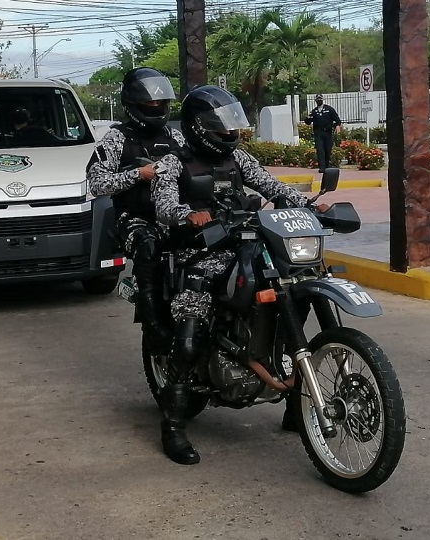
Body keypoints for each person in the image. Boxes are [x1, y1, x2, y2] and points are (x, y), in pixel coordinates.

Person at [151, 85, 329, 465]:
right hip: (196, 252)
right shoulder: (172, 162)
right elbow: (164, 203)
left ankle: (294, 406)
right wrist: (187, 214)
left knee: (294, 292)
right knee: (190, 332)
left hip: (244, 243)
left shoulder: (239, 158)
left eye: (232, 123)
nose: (229, 132)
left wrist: (309, 203)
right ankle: (174, 426)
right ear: (198, 126)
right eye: (221, 125)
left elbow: (271, 186)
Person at [86, 67, 185, 353]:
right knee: (148, 244)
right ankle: (153, 323)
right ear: (132, 105)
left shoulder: (176, 137)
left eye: (160, 103)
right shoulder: (116, 139)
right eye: (149, 104)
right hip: (134, 218)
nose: (156, 108)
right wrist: (138, 175)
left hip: (174, 215)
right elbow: (97, 183)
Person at [304, 93, 342, 173]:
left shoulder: (329, 109)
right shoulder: (314, 111)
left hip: (328, 133)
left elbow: (337, 119)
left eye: (320, 99)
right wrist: (308, 118)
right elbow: (307, 122)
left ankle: (326, 166)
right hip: (318, 133)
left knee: (327, 150)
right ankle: (322, 167)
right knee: (320, 149)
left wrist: (337, 126)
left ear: (322, 100)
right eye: (317, 100)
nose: (319, 101)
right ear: (315, 101)